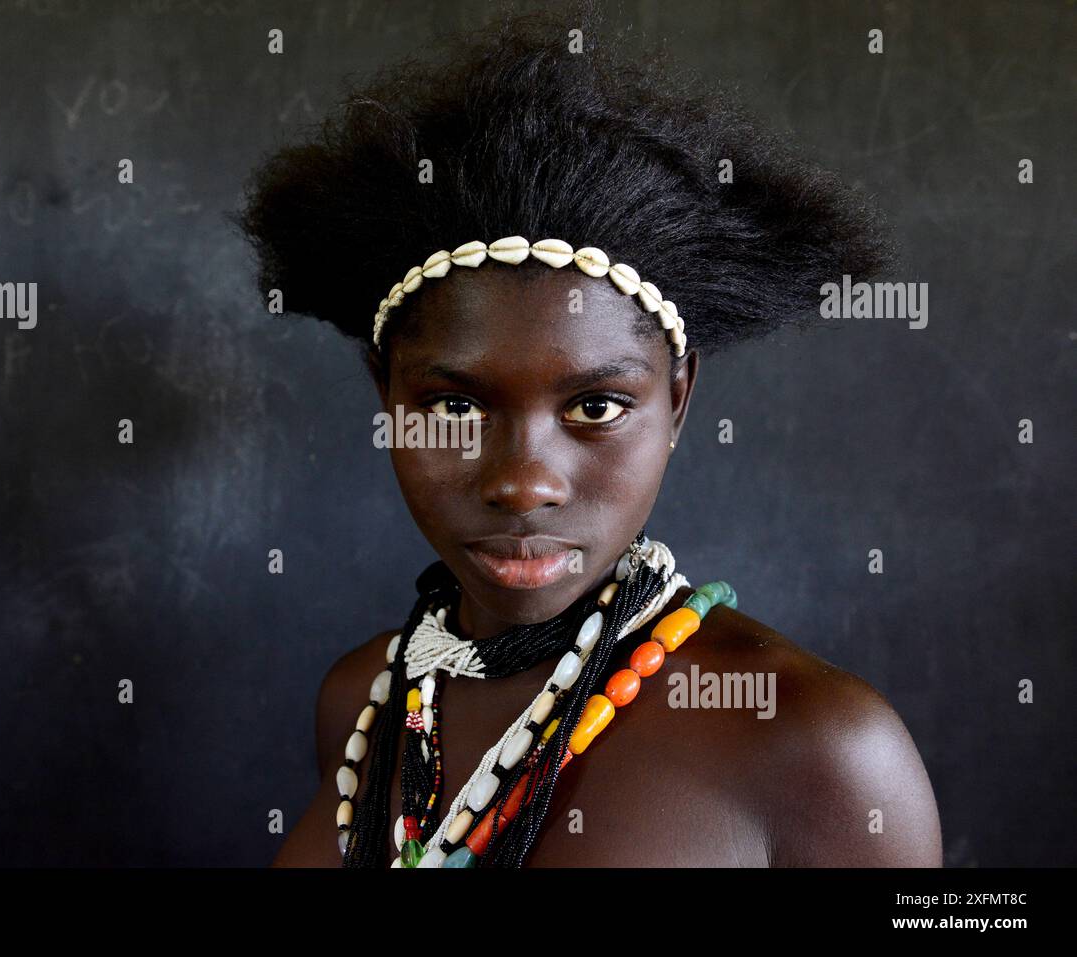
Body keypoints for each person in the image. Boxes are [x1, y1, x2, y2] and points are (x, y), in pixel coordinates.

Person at [234, 7, 942, 868]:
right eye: (455, 408)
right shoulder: (366, 701)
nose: (524, 482)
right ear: (386, 396)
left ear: (678, 402)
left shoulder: (821, 748)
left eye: (597, 407)